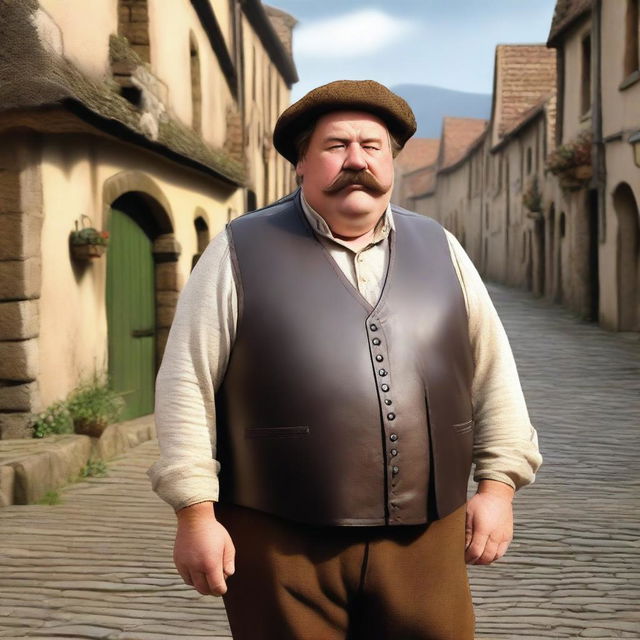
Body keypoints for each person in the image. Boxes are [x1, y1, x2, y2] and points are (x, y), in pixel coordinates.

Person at [148, 79, 542, 640]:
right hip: (279, 537)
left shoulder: (442, 247)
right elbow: (186, 381)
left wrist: (498, 487)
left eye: (372, 145)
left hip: (427, 537)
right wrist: (194, 512)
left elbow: (492, 373)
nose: (356, 160)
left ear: (392, 162)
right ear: (301, 163)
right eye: (336, 146)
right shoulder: (237, 249)